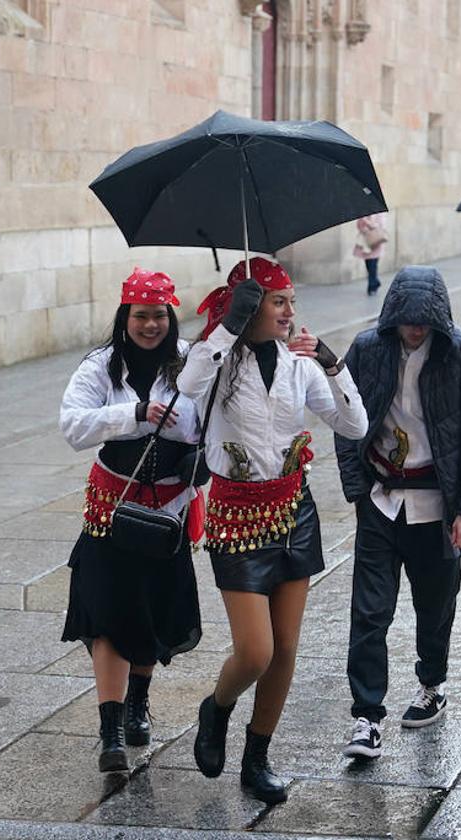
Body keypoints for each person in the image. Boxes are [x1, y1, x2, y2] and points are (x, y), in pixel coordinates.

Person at [179, 257, 368, 803]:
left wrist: (333, 363)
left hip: (293, 513)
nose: (289, 313)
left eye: (291, 301)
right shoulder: (215, 361)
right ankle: (215, 709)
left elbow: (354, 425)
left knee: (285, 647)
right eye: (278, 301)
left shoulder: (299, 365)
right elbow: (187, 387)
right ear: (250, 305)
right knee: (255, 650)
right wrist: (225, 328)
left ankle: (256, 758)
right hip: (236, 515)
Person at [335, 266, 461, 760]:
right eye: (406, 319)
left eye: (423, 321)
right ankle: (366, 717)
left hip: (437, 503)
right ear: (392, 316)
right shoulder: (367, 350)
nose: (414, 328)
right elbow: (343, 415)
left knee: (435, 605)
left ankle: (432, 684)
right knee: (370, 610)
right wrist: (357, 489)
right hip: (382, 501)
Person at [59, 268, 203, 774]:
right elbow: (72, 426)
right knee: (108, 617)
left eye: (158, 315)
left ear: (170, 316)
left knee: (154, 611)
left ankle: (139, 700)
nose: (150, 325)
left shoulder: (190, 365)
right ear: (125, 318)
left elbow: (211, 419)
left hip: (167, 513)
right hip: (112, 511)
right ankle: (111, 730)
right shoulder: (100, 366)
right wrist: (135, 413)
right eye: (140, 315)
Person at [353, 213, 388, 295]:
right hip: (366, 242)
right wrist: (363, 222)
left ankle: (372, 287)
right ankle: (375, 282)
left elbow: (381, 225)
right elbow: (359, 226)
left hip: (376, 241)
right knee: (368, 264)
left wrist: (368, 223)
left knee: (373, 264)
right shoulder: (363, 213)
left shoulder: (379, 214)